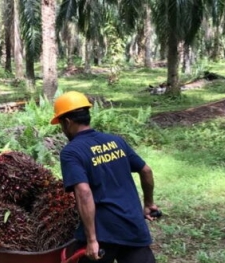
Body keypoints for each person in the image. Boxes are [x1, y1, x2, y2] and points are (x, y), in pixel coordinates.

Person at [50, 91, 159, 263]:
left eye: (61, 125)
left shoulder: (71, 152)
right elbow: (146, 171)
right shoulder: (116, 141)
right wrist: (149, 203)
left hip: (103, 233)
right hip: (132, 224)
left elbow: (84, 192)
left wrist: (91, 240)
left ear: (67, 122)